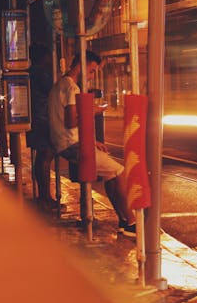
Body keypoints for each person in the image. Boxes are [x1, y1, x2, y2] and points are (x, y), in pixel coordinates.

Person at [48, 50, 135, 237]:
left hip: (65, 142)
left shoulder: (59, 85)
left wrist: (92, 141)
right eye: (92, 70)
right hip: (71, 145)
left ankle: (124, 220)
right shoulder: (72, 88)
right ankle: (130, 221)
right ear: (81, 65)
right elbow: (71, 121)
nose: (92, 75)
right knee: (118, 171)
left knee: (110, 172)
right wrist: (92, 110)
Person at [27, 43, 56, 210]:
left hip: (35, 119)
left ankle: (43, 195)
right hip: (42, 119)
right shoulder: (39, 72)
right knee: (45, 156)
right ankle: (45, 196)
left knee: (42, 157)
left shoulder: (31, 72)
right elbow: (51, 91)